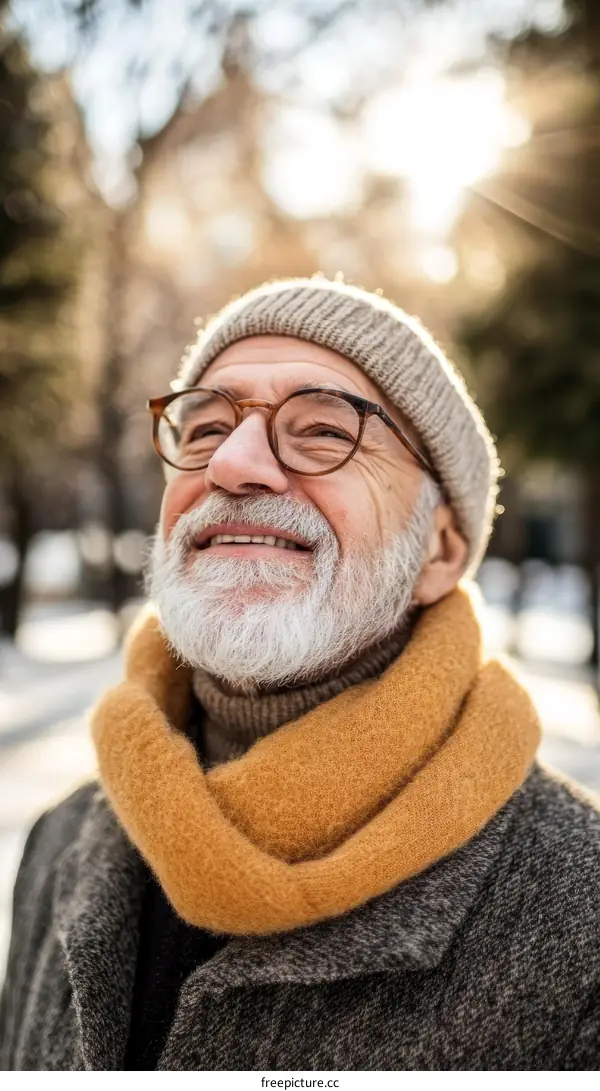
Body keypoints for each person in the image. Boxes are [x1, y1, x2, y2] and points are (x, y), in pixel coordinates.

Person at [1, 276, 600, 1073]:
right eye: (207, 426)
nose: (236, 464)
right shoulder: (60, 841)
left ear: (442, 550)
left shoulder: (579, 905)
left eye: (323, 429)